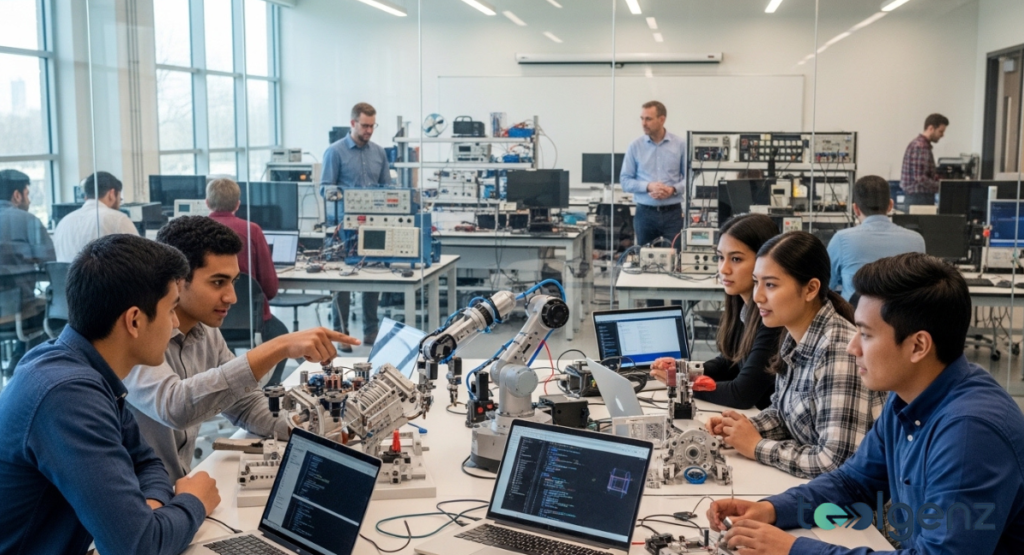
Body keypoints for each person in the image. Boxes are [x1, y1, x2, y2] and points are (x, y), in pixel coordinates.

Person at [707, 253, 1024, 555]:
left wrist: (793, 548)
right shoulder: (907, 396)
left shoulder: (970, 432)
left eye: (866, 335)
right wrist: (772, 509)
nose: (852, 347)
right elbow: (853, 484)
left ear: (918, 346)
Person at [0, 234, 220, 555]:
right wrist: (193, 501)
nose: (175, 323)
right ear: (134, 320)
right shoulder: (68, 395)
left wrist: (153, 506)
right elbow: (137, 547)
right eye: (171, 309)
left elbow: (147, 462)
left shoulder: (79, 368)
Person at [124, 216, 359, 482]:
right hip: (143, 502)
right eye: (217, 282)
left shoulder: (207, 333)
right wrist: (279, 346)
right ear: (177, 281)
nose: (232, 297)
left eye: (233, 282)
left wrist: (313, 428)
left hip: (179, 490)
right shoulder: (137, 334)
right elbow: (175, 406)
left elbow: (245, 404)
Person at [706, 231, 886, 479]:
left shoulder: (839, 350)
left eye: (770, 285)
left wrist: (757, 447)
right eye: (756, 282)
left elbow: (835, 462)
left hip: (858, 511)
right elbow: (784, 414)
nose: (757, 296)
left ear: (811, 289)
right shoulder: (794, 335)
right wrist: (739, 430)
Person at [651, 214, 781, 409]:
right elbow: (728, 362)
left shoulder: (773, 317)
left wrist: (681, 384)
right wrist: (683, 370)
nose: (723, 269)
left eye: (736, 259)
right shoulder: (743, 306)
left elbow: (741, 394)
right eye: (720, 257)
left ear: (764, 261)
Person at [320, 102, 392, 350]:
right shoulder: (335, 152)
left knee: (372, 279)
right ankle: (341, 336)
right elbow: (325, 189)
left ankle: (371, 331)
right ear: (353, 123)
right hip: (343, 228)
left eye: (372, 126)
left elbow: (387, 189)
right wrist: (346, 197)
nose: (369, 130)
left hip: (373, 226)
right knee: (343, 284)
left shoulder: (379, 153)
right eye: (365, 126)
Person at [206, 177, 291, 384]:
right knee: (282, 337)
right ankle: (270, 393)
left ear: (207, 203)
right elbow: (269, 289)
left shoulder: (195, 232)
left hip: (206, 321)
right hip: (249, 322)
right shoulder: (252, 231)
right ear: (237, 204)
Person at [828, 175, 925, 300]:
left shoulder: (841, 239)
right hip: (902, 318)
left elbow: (826, 287)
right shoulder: (917, 240)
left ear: (855, 209)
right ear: (890, 205)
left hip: (854, 318)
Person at [0, 169, 55, 376]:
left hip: (5, 309)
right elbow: (50, 261)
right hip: (20, 312)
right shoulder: (27, 220)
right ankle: (26, 368)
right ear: (17, 195)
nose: (29, 200)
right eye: (28, 193)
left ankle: (17, 360)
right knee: (54, 312)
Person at [54, 171, 138, 262]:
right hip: (104, 276)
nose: (119, 202)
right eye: (120, 198)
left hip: (69, 276)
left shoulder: (64, 221)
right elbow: (140, 256)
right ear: (112, 193)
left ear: (86, 195)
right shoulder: (117, 219)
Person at [899, 113, 948, 209]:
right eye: (940, 131)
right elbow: (920, 177)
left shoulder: (919, 144)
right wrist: (942, 187)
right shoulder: (921, 146)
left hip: (916, 198)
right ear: (931, 128)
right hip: (919, 199)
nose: (942, 135)